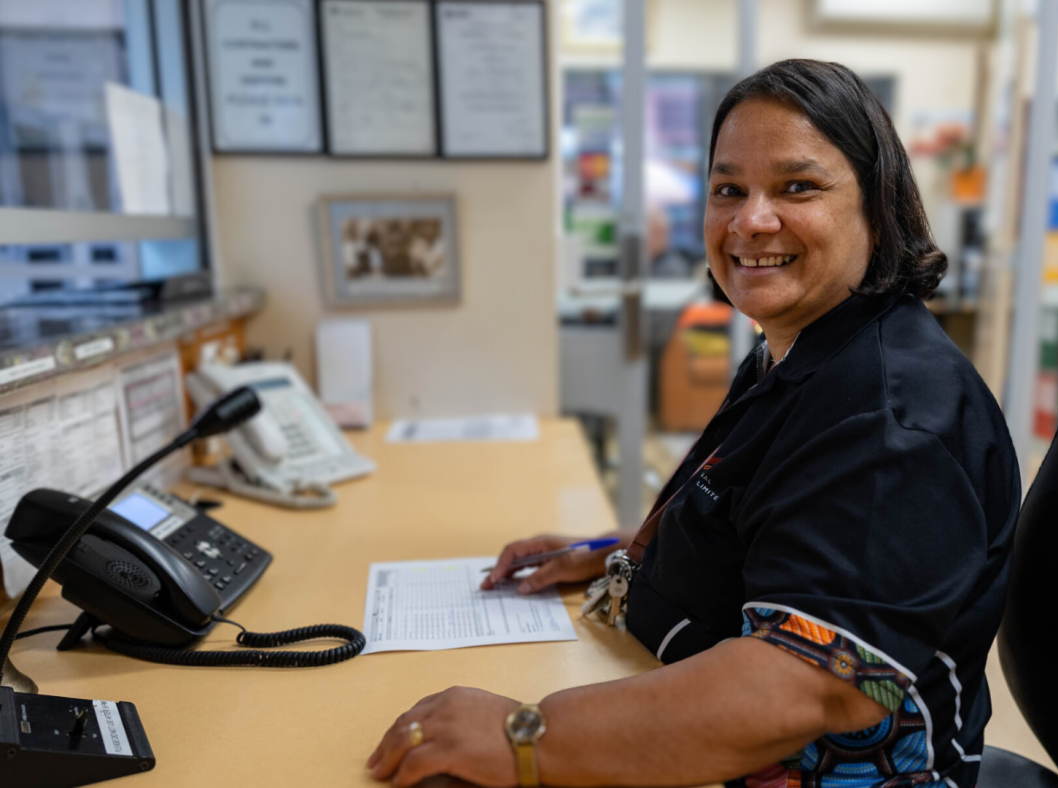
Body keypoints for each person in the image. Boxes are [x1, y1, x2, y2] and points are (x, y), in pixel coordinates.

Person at [367, 59, 1019, 788]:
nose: (751, 221)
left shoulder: (888, 422)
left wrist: (525, 737)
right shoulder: (805, 351)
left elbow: (799, 688)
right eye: (728, 190)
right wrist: (633, 549)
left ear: (877, 204)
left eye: (797, 187)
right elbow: (775, 517)